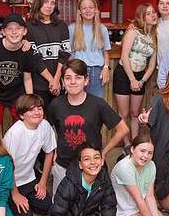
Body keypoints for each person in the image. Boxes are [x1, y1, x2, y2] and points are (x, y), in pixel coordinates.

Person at [49, 59, 129, 195]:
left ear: (86, 81)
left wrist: (103, 152)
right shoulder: (55, 105)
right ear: (63, 82)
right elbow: (51, 129)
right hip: (63, 165)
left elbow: (123, 129)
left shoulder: (98, 104)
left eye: (78, 78)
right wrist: (54, 151)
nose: (73, 82)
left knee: (90, 209)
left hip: (90, 167)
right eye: (68, 78)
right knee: (61, 208)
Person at [0, 13, 53, 130]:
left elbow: (27, 78)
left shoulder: (27, 50)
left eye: (18, 28)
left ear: (24, 31)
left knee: (21, 128)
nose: (14, 32)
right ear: (3, 32)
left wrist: (30, 102)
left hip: (17, 95)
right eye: (10, 29)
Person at [3, 94, 57, 216]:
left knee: (47, 207)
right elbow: (6, 165)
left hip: (28, 178)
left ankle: (26, 201)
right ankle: (5, 203)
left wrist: (43, 182)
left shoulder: (44, 125)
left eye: (39, 108)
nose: (37, 112)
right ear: (22, 115)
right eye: (31, 110)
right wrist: (15, 194)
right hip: (9, 182)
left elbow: (50, 151)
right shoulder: (15, 133)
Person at [111, 134, 169, 216]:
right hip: (125, 210)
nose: (145, 156)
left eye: (150, 153)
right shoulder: (124, 168)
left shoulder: (151, 165)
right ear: (132, 149)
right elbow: (138, 199)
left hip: (142, 206)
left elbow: (149, 196)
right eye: (142, 151)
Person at [113, 3, 158, 147]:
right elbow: (124, 56)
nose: (153, 15)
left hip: (140, 77)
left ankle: (135, 143)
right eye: (148, 13)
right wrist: (132, 79)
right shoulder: (132, 31)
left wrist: (142, 80)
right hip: (124, 74)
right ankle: (126, 144)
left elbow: (152, 65)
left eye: (153, 12)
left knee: (134, 113)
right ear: (141, 17)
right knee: (124, 113)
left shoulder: (154, 36)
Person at [27, 0, 71, 108]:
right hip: (39, 84)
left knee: (59, 120)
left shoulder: (61, 25)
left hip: (59, 82)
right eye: (46, 2)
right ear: (38, 3)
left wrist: (56, 79)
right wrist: (51, 81)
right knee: (40, 121)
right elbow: (35, 58)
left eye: (52, 3)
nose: (49, 6)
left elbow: (65, 53)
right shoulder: (29, 26)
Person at [69, 0, 112, 98]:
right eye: (84, 8)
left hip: (96, 72)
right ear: (79, 11)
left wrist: (106, 68)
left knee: (96, 104)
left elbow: (105, 52)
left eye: (91, 7)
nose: (88, 11)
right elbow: (69, 54)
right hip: (77, 70)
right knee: (77, 102)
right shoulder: (72, 28)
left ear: (96, 10)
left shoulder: (102, 29)